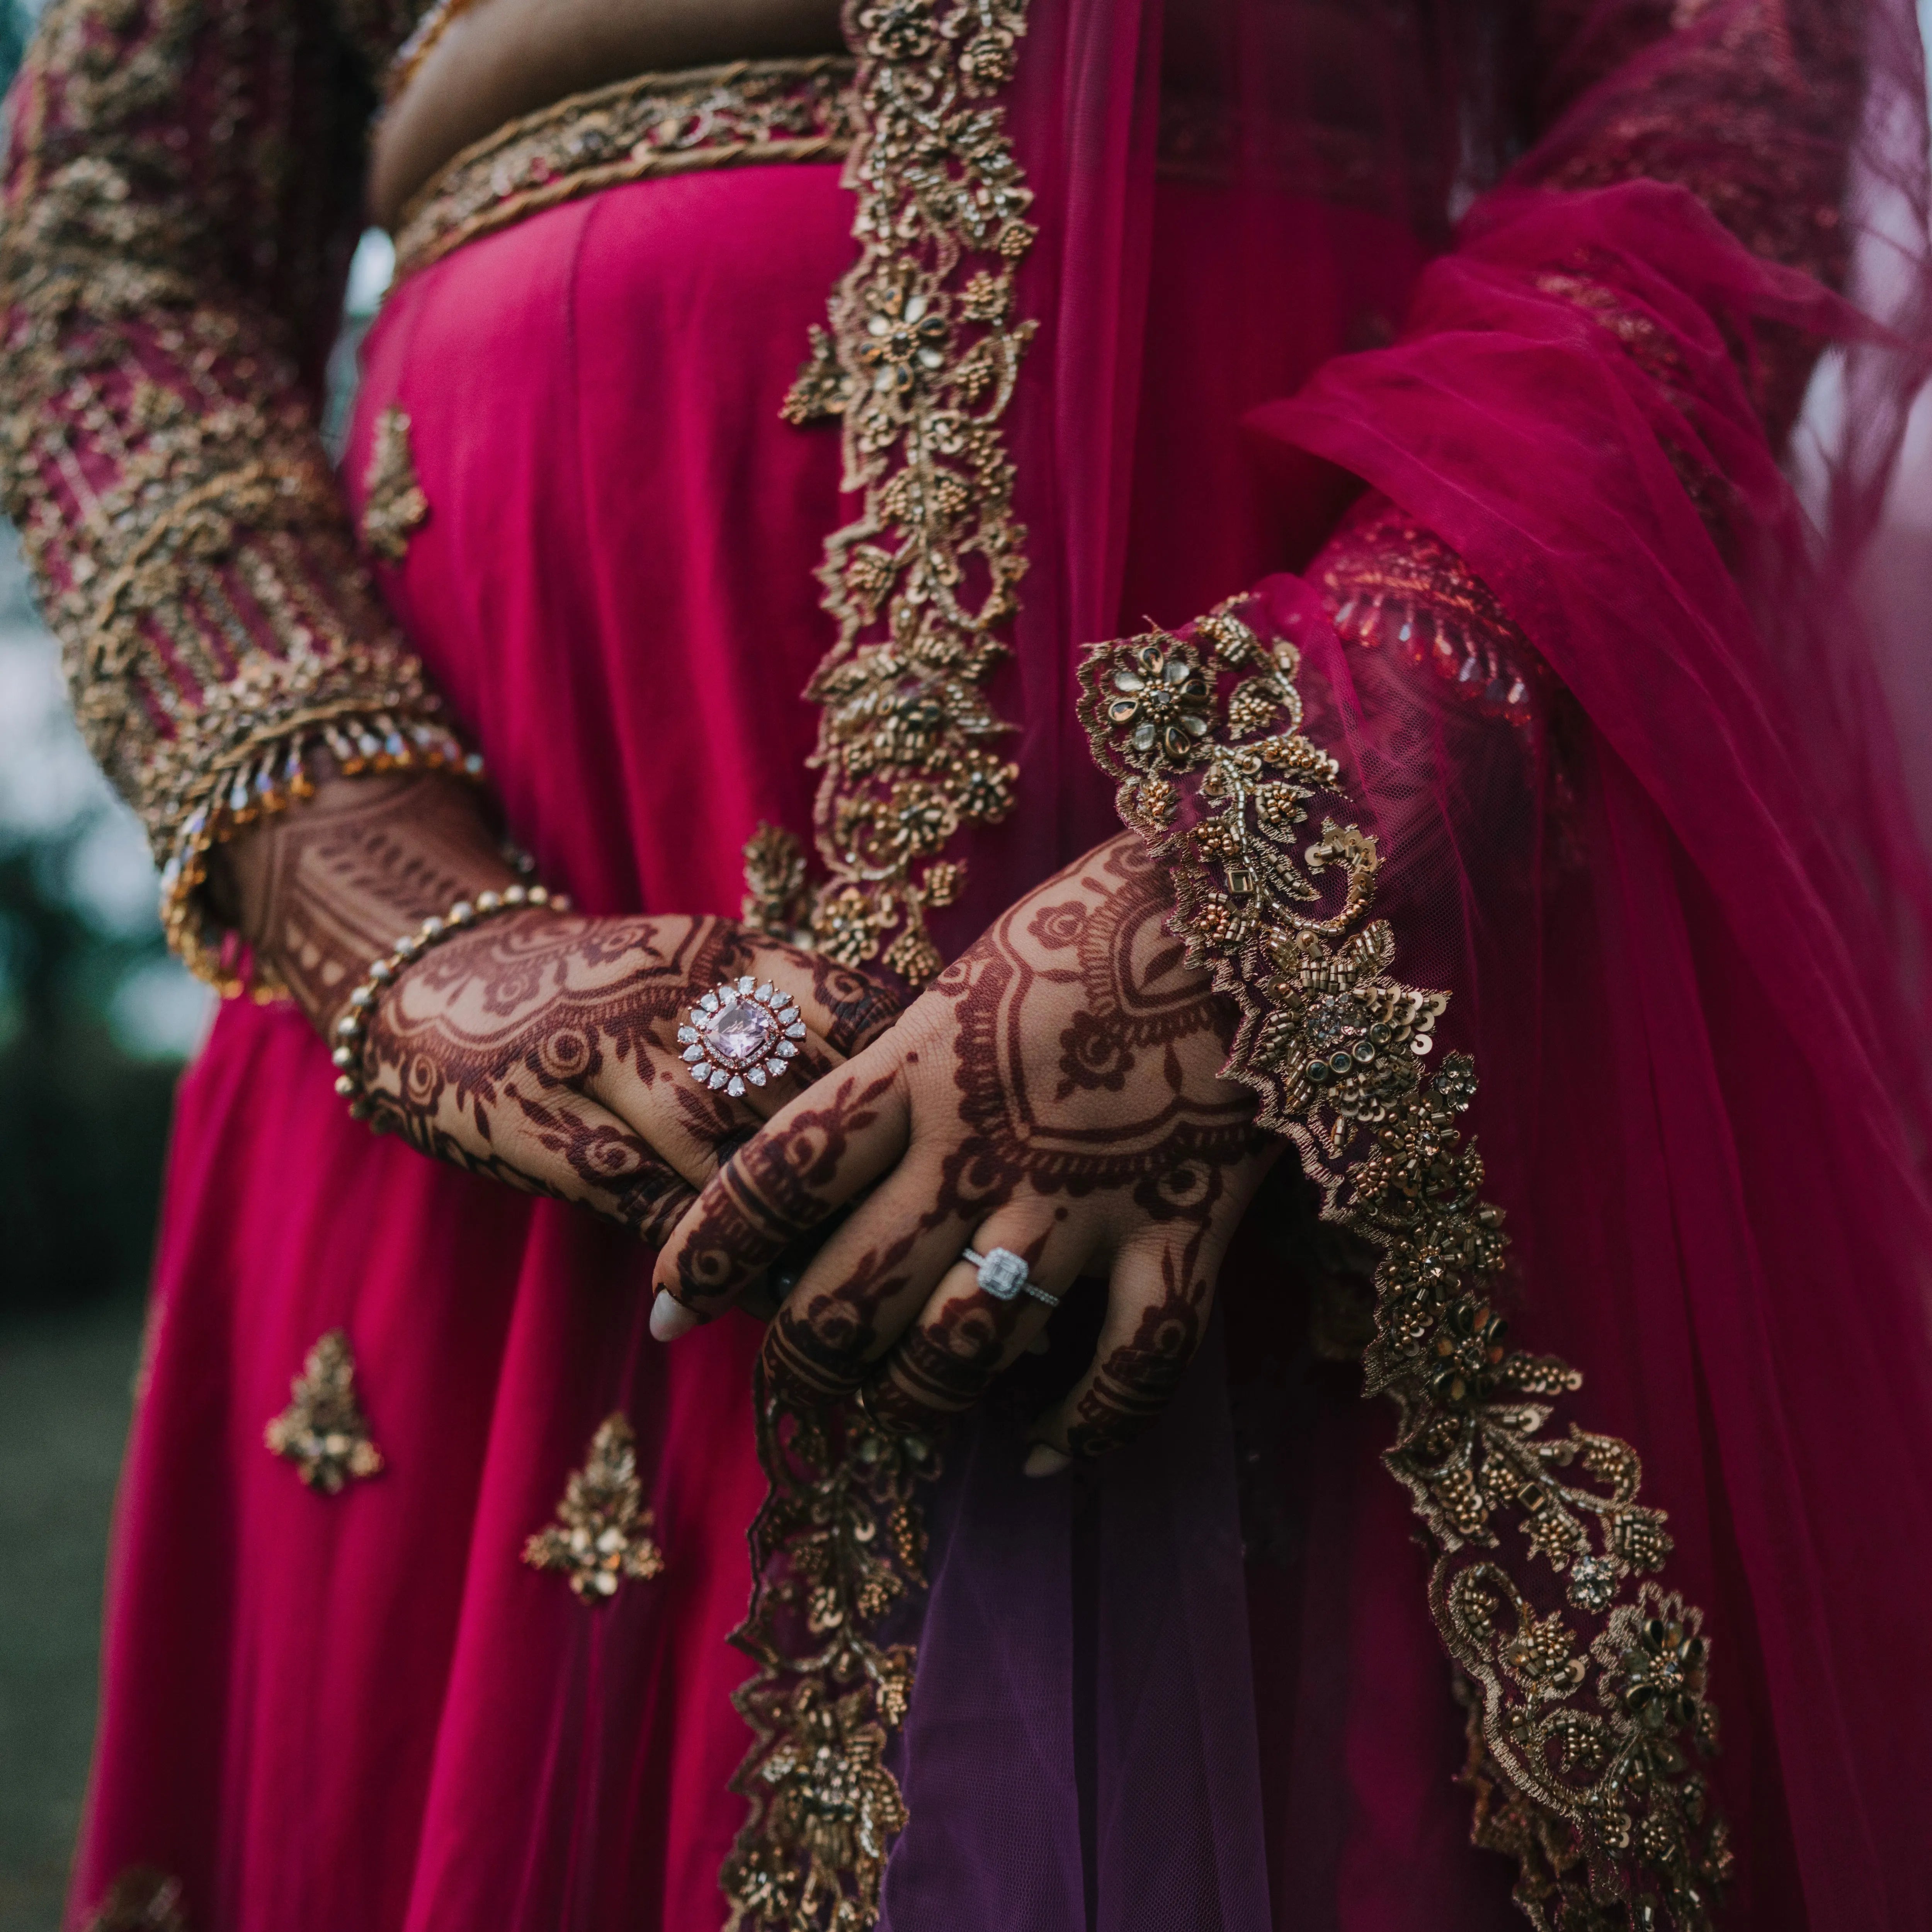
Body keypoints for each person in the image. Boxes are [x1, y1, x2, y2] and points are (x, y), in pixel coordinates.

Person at [4, 0, 1931, 1926]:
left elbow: (1712, 103)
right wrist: (373, 898)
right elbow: (110, 242)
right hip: (485, 989)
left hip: (1345, 940)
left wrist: (1308, 825)